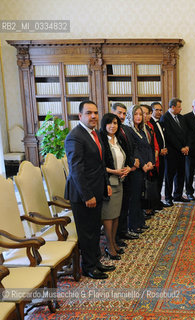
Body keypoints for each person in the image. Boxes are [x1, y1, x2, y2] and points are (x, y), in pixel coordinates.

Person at [65, 100, 114, 280]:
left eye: (95, 113)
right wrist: (88, 195)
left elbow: (101, 163)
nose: (93, 116)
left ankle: (96, 261)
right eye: (88, 113)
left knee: (95, 229)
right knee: (87, 232)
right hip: (83, 194)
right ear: (80, 116)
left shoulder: (95, 134)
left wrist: (106, 183)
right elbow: (76, 169)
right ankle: (88, 267)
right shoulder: (75, 136)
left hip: (97, 189)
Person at [100, 113, 131, 260]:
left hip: (120, 181)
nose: (113, 126)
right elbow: (100, 165)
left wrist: (125, 169)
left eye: (115, 123)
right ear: (104, 125)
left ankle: (113, 242)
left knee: (116, 215)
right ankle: (109, 245)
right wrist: (115, 171)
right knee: (108, 216)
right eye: (110, 123)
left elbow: (124, 158)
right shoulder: (101, 140)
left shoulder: (118, 140)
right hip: (108, 182)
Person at [110, 103, 139, 242]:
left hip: (128, 172)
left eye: (124, 113)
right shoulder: (108, 132)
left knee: (125, 204)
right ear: (112, 112)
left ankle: (123, 230)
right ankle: (116, 236)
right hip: (116, 175)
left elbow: (132, 149)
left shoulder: (126, 129)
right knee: (117, 208)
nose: (122, 116)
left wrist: (132, 163)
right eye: (119, 113)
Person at [124, 104, 154, 234]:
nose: (138, 117)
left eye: (140, 114)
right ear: (131, 115)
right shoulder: (129, 130)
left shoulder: (142, 129)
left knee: (140, 196)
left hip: (144, 168)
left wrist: (150, 162)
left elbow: (147, 147)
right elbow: (134, 150)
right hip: (136, 169)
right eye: (135, 114)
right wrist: (142, 164)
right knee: (134, 197)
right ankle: (133, 224)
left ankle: (140, 222)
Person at [161, 98, 190, 205]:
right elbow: (169, 136)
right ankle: (168, 197)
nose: (181, 108)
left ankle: (177, 195)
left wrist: (187, 146)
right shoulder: (165, 118)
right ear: (172, 107)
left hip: (182, 152)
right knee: (169, 175)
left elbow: (186, 133)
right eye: (179, 107)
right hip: (172, 152)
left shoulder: (181, 118)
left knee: (181, 174)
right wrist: (180, 147)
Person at [150, 102, 169, 207]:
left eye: (160, 110)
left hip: (163, 155)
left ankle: (158, 200)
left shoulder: (161, 122)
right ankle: (155, 202)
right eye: (156, 110)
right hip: (155, 156)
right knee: (155, 181)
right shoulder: (150, 123)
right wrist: (159, 150)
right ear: (152, 111)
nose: (159, 112)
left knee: (160, 179)